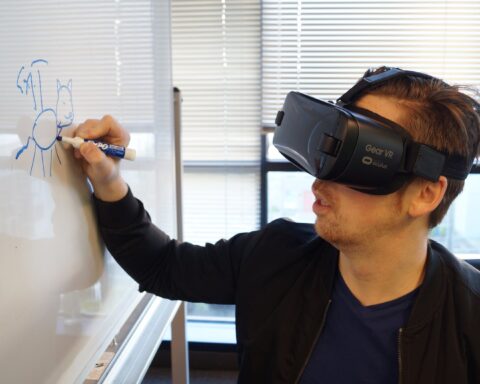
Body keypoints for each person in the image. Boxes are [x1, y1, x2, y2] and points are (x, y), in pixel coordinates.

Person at [72, 67, 480, 384]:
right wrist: (108, 180)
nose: (320, 182)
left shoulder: (469, 319)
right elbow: (162, 265)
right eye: (331, 154)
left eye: (360, 163)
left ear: (426, 194)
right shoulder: (275, 257)